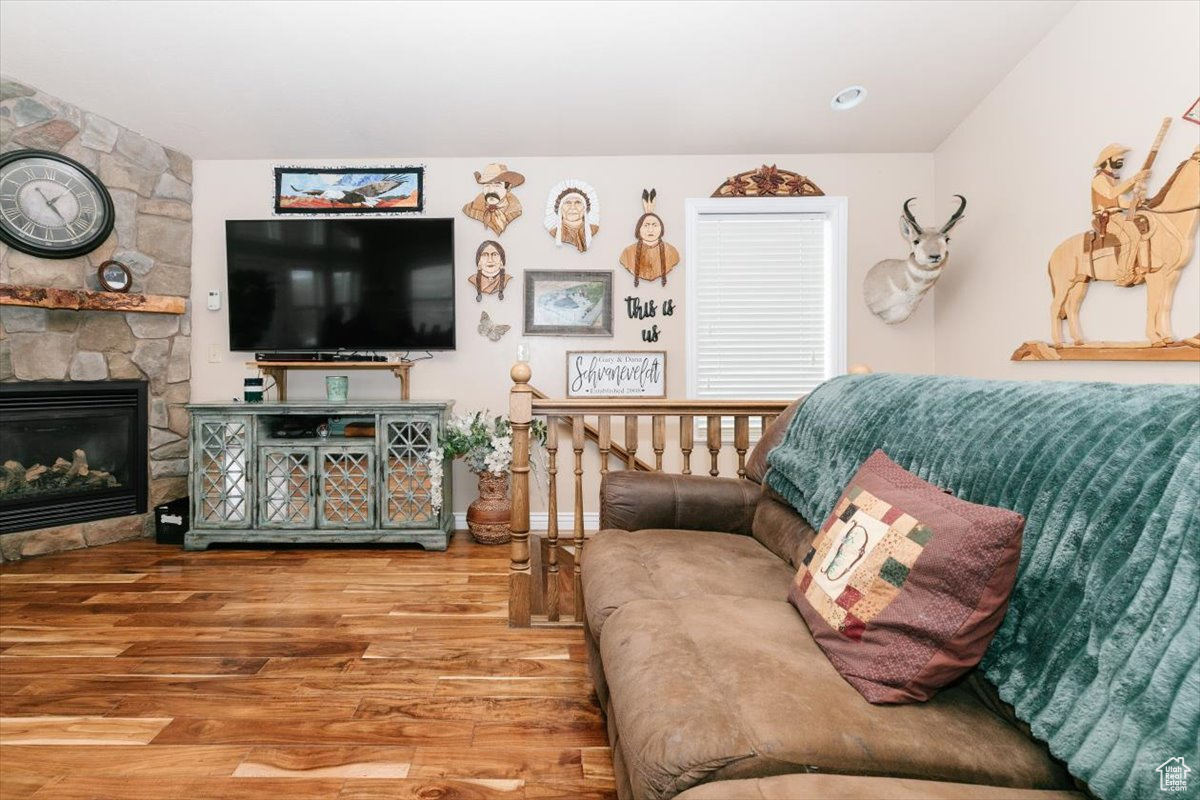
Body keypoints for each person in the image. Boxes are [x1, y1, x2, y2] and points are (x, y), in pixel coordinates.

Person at [1090, 144, 1150, 286]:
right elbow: (1112, 193)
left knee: (1136, 234)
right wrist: (1134, 179)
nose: (1121, 158)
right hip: (1107, 218)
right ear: (1108, 159)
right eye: (1118, 156)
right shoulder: (1099, 179)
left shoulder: (1114, 179)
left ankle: (1137, 268)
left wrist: (1138, 202)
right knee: (1128, 238)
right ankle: (1123, 275)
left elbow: (1121, 202)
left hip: (1117, 215)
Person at [619, 190, 680, 286]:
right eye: (646, 225)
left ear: (661, 228)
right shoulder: (628, 253)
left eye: (655, 225)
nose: (650, 230)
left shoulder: (671, 252)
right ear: (638, 229)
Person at [462, 163, 525, 235]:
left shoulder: (515, 210)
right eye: (487, 185)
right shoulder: (470, 209)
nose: (490, 190)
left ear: (508, 188)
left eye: (497, 185)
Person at [544, 179, 600, 252]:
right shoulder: (556, 231)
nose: (573, 207)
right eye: (567, 202)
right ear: (559, 207)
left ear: (585, 207)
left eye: (578, 202)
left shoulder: (592, 228)